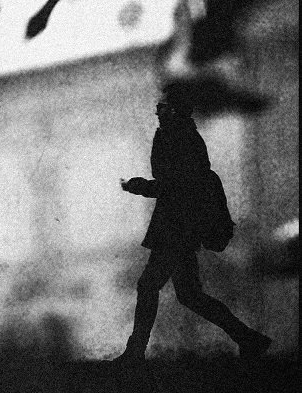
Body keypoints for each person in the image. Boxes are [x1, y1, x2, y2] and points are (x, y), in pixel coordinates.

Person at [112, 82, 272, 364]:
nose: (158, 112)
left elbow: (174, 186)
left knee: (149, 286)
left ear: (175, 110)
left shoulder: (179, 138)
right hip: (180, 229)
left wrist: (137, 186)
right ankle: (249, 339)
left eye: (162, 107)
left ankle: (135, 353)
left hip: (175, 229)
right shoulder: (182, 136)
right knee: (190, 295)